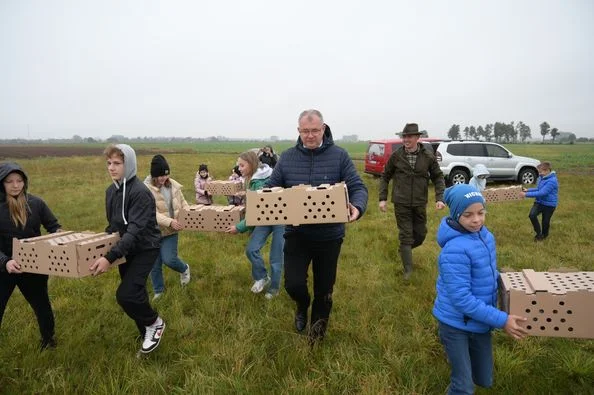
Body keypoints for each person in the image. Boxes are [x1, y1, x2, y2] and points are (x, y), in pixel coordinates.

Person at [266, 109, 368, 344]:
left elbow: (357, 187)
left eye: (314, 131)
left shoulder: (340, 156)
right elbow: (272, 188)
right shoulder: (287, 158)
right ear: (298, 131)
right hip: (296, 234)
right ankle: (302, 305)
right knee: (293, 284)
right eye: (305, 131)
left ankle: (316, 336)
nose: (310, 136)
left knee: (324, 290)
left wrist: (358, 206)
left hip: (329, 236)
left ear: (323, 129)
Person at [433, 184, 528, 394]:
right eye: (468, 215)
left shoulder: (486, 237)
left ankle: (459, 360)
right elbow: (462, 300)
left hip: (480, 322)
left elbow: (488, 270)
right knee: (464, 386)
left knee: (484, 378)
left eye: (481, 213)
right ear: (457, 214)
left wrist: (508, 280)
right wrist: (502, 320)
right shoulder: (454, 251)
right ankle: (456, 361)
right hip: (455, 323)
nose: (476, 220)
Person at [90, 144, 165, 355]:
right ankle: (146, 337)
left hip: (145, 247)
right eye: (109, 163)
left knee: (126, 294)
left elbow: (134, 232)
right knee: (136, 292)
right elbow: (114, 227)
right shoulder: (111, 191)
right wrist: (97, 246)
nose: (111, 168)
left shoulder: (140, 193)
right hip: (127, 249)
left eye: (117, 163)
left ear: (129, 164)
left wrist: (109, 257)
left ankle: (155, 323)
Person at [0, 162, 61, 350]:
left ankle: (48, 340)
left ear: (24, 182)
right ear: (2, 183)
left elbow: (54, 227)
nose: (15, 185)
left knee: (41, 304)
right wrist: (5, 262)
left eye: (19, 181)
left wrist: (60, 237)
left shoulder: (36, 203)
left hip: (33, 265)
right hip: (4, 266)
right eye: (10, 181)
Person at [379, 123, 446, 279]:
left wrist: (440, 198)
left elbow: (438, 177)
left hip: (419, 202)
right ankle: (408, 270)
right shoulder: (396, 156)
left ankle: (404, 249)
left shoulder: (428, 156)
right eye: (404, 136)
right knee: (406, 235)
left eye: (409, 136)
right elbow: (385, 176)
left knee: (421, 234)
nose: (406, 139)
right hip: (401, 202)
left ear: (417, 138)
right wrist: (383, 199)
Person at [225, 151, 284, 299]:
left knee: (276, 257)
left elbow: (256, 212)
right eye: (238, 165)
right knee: (251, 249)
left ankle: (274, 289)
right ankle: (262, 277)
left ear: (252, 164)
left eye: (242, 165)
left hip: (280, 219)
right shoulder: (252, 179)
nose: (239, 168)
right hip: (264, 219)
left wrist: (238, 227)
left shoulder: (261, 181)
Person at [144, 154, 191, 300]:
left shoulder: (173, 186)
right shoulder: (145, 190)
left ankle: (184, 269)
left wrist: (188, 214)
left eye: (166, 175)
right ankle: (159, 291)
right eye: (160, 176)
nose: (163, 178)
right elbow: (152, 213)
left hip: (171, 231)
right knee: (154, 264)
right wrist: (170, 221)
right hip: (153, 232)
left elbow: (183, 202)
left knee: (169, 259)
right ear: (154, 175)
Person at [519, 161, 558, 241]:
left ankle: (544, 235)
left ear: (547, 170)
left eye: (541, 172)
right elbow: (539, 189)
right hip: (539, 202)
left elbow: (542, 193)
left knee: (545, 221)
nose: (539, 173)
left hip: (549, 205)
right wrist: (527, 190)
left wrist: (525, 195)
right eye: (539, 172)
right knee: (532, 215)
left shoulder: (552, 181)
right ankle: (538, 233)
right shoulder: (541, 178)